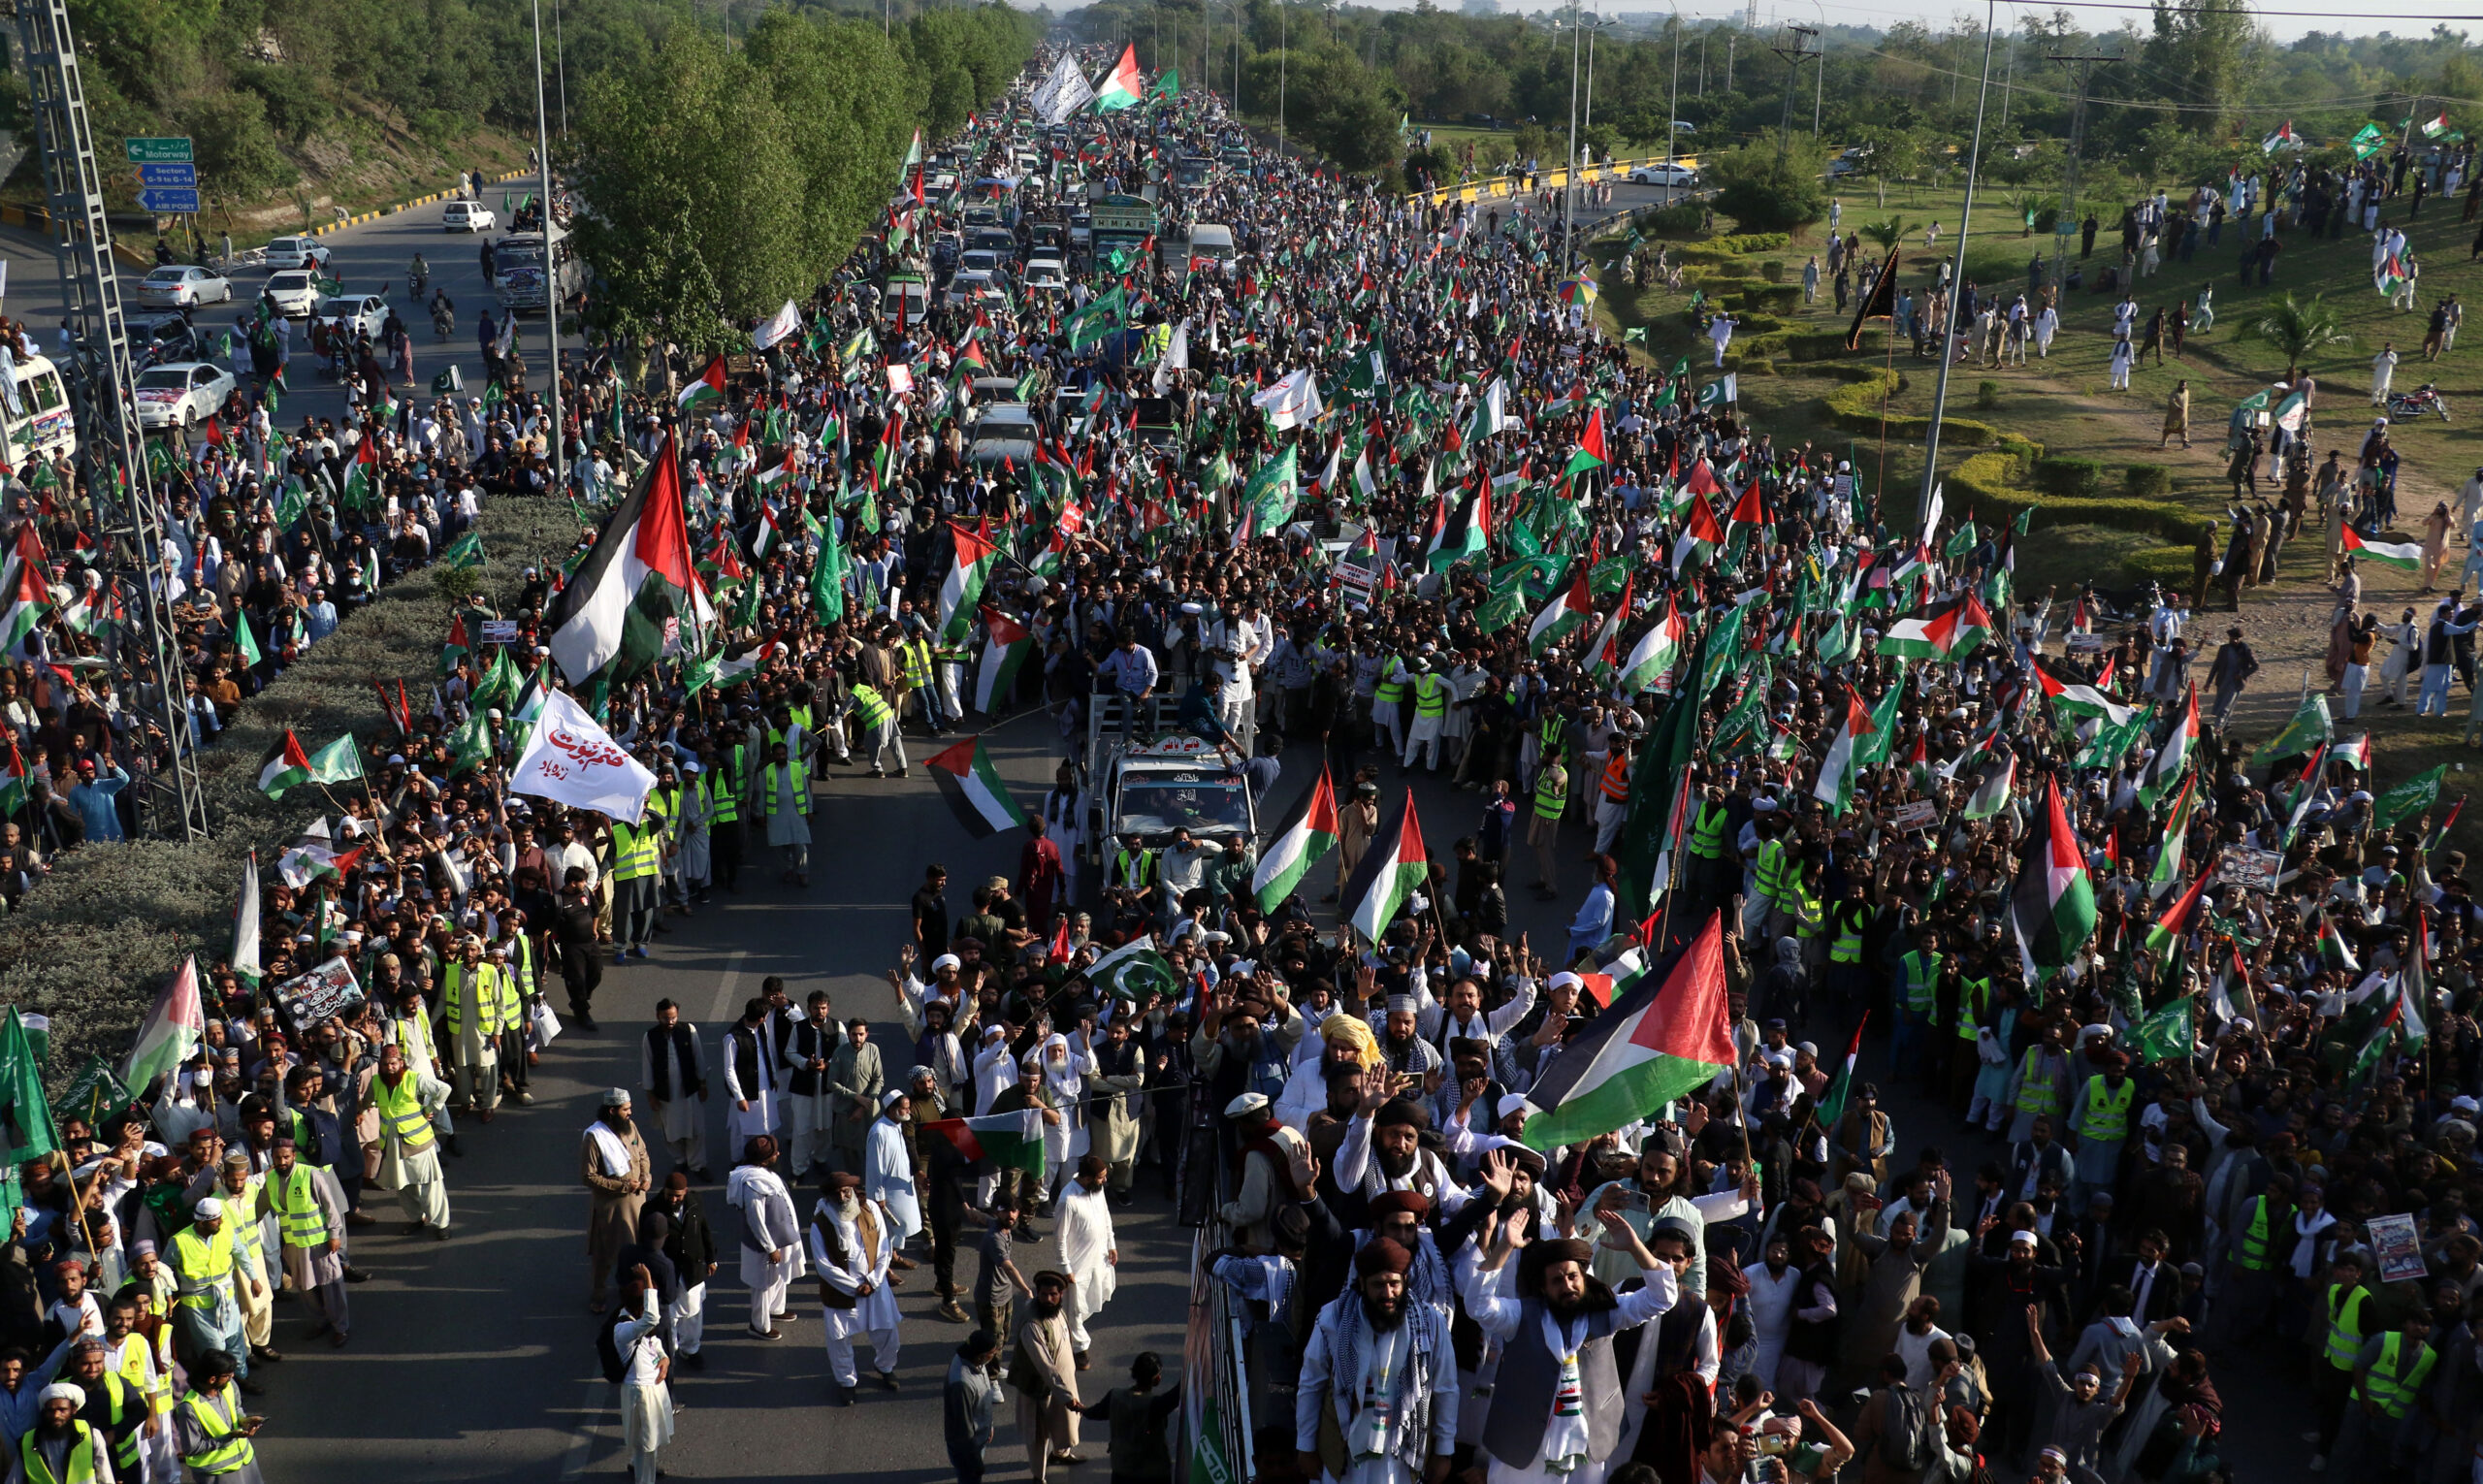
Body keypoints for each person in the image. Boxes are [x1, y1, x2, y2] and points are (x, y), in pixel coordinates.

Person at [808, 1172, 903, 1404]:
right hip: (842, 1291)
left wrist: (873, 1281)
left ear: (852, 1191)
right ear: (829, 1196)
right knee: (839, 1341)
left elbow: (883, 1248)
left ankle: (885, 1367)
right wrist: (855, 1287)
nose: (842, 1197)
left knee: (888, 1334)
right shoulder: (820, 1223)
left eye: (846, 1192)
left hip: (874, 1285)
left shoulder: (870, 1208)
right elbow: (824, 1267)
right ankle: (847, 1382)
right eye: (837, 1193)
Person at [726, 1135, 804, 1340]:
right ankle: (759, 1325)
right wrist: (770, 1248)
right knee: (762, 1284)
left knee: (780, 1276)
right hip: (764, 1245)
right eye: (774, 1152)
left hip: (782, 1239)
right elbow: (756, 1221)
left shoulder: (764, 1175)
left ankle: (776, 1309)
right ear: (763, 1159)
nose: (778, 1154)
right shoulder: (753, 1184)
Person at [582, 1088, 653, 1313]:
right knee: (605, 1252)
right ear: (612, 1111)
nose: (630, 1113)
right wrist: (621, 1186)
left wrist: (646, 1177)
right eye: (626, 1109)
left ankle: (634, 1293)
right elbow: (589, 1176)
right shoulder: (595, 1137)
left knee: (637, 1250)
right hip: (611, 1206)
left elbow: (642, 1154)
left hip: (637, 1201)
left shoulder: (630, 1128)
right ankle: (599, 1293)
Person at [371, 1043, 452, 1240]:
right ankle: (416, 1219)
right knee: (403, 1187)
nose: (389, 1068)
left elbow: (444, 1089)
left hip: (418, 1143)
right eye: (385, 1064)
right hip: (392, 1144)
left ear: (401, 1063)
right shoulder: (376, 1081)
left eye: (393, 1064)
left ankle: (442, 1224)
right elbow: (368, 1100)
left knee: (430, 1185)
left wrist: (430, 1108)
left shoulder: (414, 1079)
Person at [1011, 1270, 1085, 1481]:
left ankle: (1060, 1454)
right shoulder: (1032, 1324)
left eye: (1053, 1294)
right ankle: (1038, 1477)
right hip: (1039, 1389)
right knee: (1038, 1437)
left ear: (1061, 1294)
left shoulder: (1057, 1312)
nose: (1048, 1299)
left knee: (1067, 1424)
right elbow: (1045, 1366)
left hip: (1063, 1385)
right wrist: (1067, 1397)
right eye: (1043, 1294)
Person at [608, 1265, 672, 1484]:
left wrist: (664, 1357)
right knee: (647, 1441)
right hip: (640, 1393)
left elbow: (654, 1342)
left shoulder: (635, 1322)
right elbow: (653, 1319)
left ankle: (637, 1464)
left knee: (645, 1438)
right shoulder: (624, 1329)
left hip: (652, 1388)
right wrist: (647, 1277)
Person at [1077, 1351, 1182, 1484]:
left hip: (1122, 1471)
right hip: (1152, 1475)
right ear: (1157, 1379)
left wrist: (1080, 1409)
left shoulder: (1115, 1397)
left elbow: (1095, 1412)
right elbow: (1178, 1393)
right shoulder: (1155, 1405)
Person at [1055, 1154, 1118, 1370]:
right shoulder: (1067, 1200)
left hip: (1099, 1259)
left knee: (1091, 1300)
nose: (1104, 1181)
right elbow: (1060, 1238)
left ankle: (1061, 1330)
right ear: (1087, 1177)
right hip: (1077, 1266)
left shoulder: (1097, 1190)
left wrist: (1111, 1243)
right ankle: (1079, 1349)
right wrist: (1065, 1267)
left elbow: (1105, 1215)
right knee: (1074, 1308)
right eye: (1101, 1177)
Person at [172, 1353, 261, 1484]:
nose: (232, 1376)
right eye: (228, 1375)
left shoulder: (229, 1386)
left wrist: (243, 1421)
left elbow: (236, 1408)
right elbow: (192, 1448)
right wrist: (228, 1437)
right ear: (212, 1379)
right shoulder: (189, 1408)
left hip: (246, 1461)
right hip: (217, 1471)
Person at [945, 1330, 1004, 1483]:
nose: (995, 1354)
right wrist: (975, 1462)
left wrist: (988, 1424)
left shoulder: (974, 1361)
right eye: (992, 1352)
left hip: (979, 1436)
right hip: (968, 1448)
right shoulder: (962, 1383)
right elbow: (963, 1430)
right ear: (981, 1355)